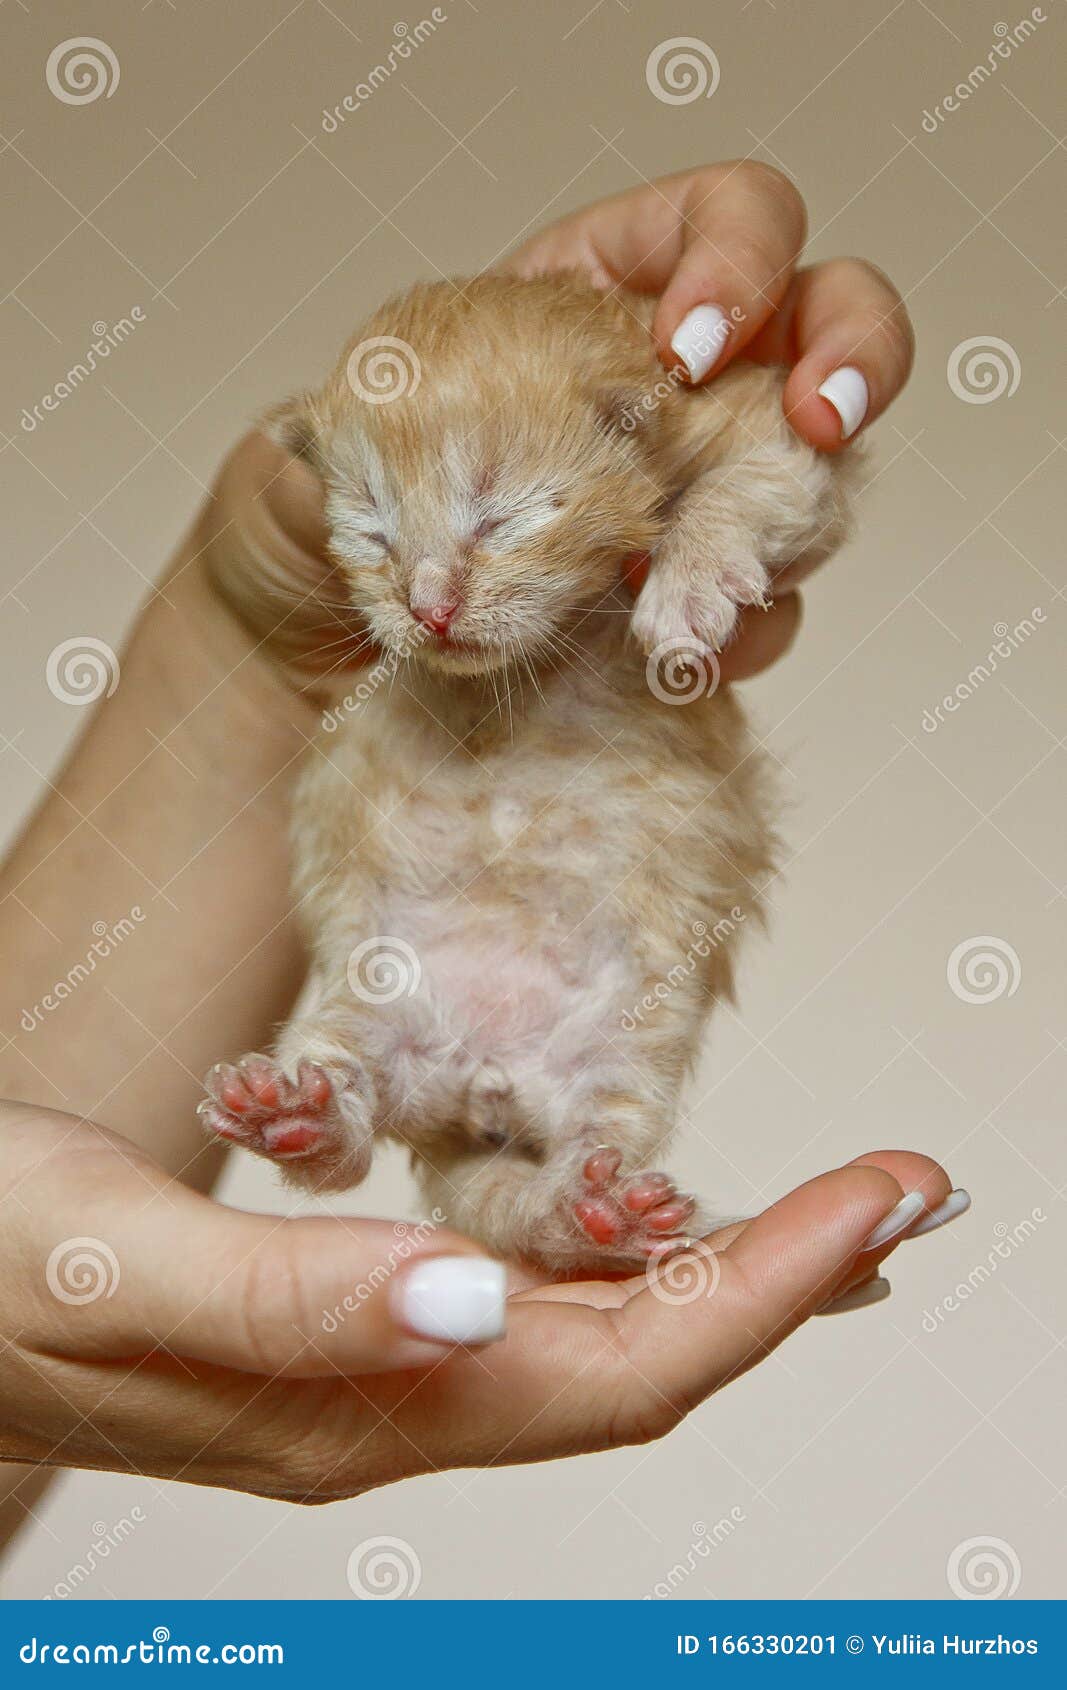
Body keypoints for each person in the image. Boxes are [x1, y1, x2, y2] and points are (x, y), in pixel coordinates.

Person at [0, 162, 965, 1532]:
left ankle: (576, 1179)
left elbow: (783, 457)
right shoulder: (406, 578)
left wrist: (708, 533)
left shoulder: (656, 408)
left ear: (634, 425)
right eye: (374, 536)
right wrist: (271, 640)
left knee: (614, 1011)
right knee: (375, 929)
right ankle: (347, 1091)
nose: (433, 604)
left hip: (591, 930)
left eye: (498, 524)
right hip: (428, 921)